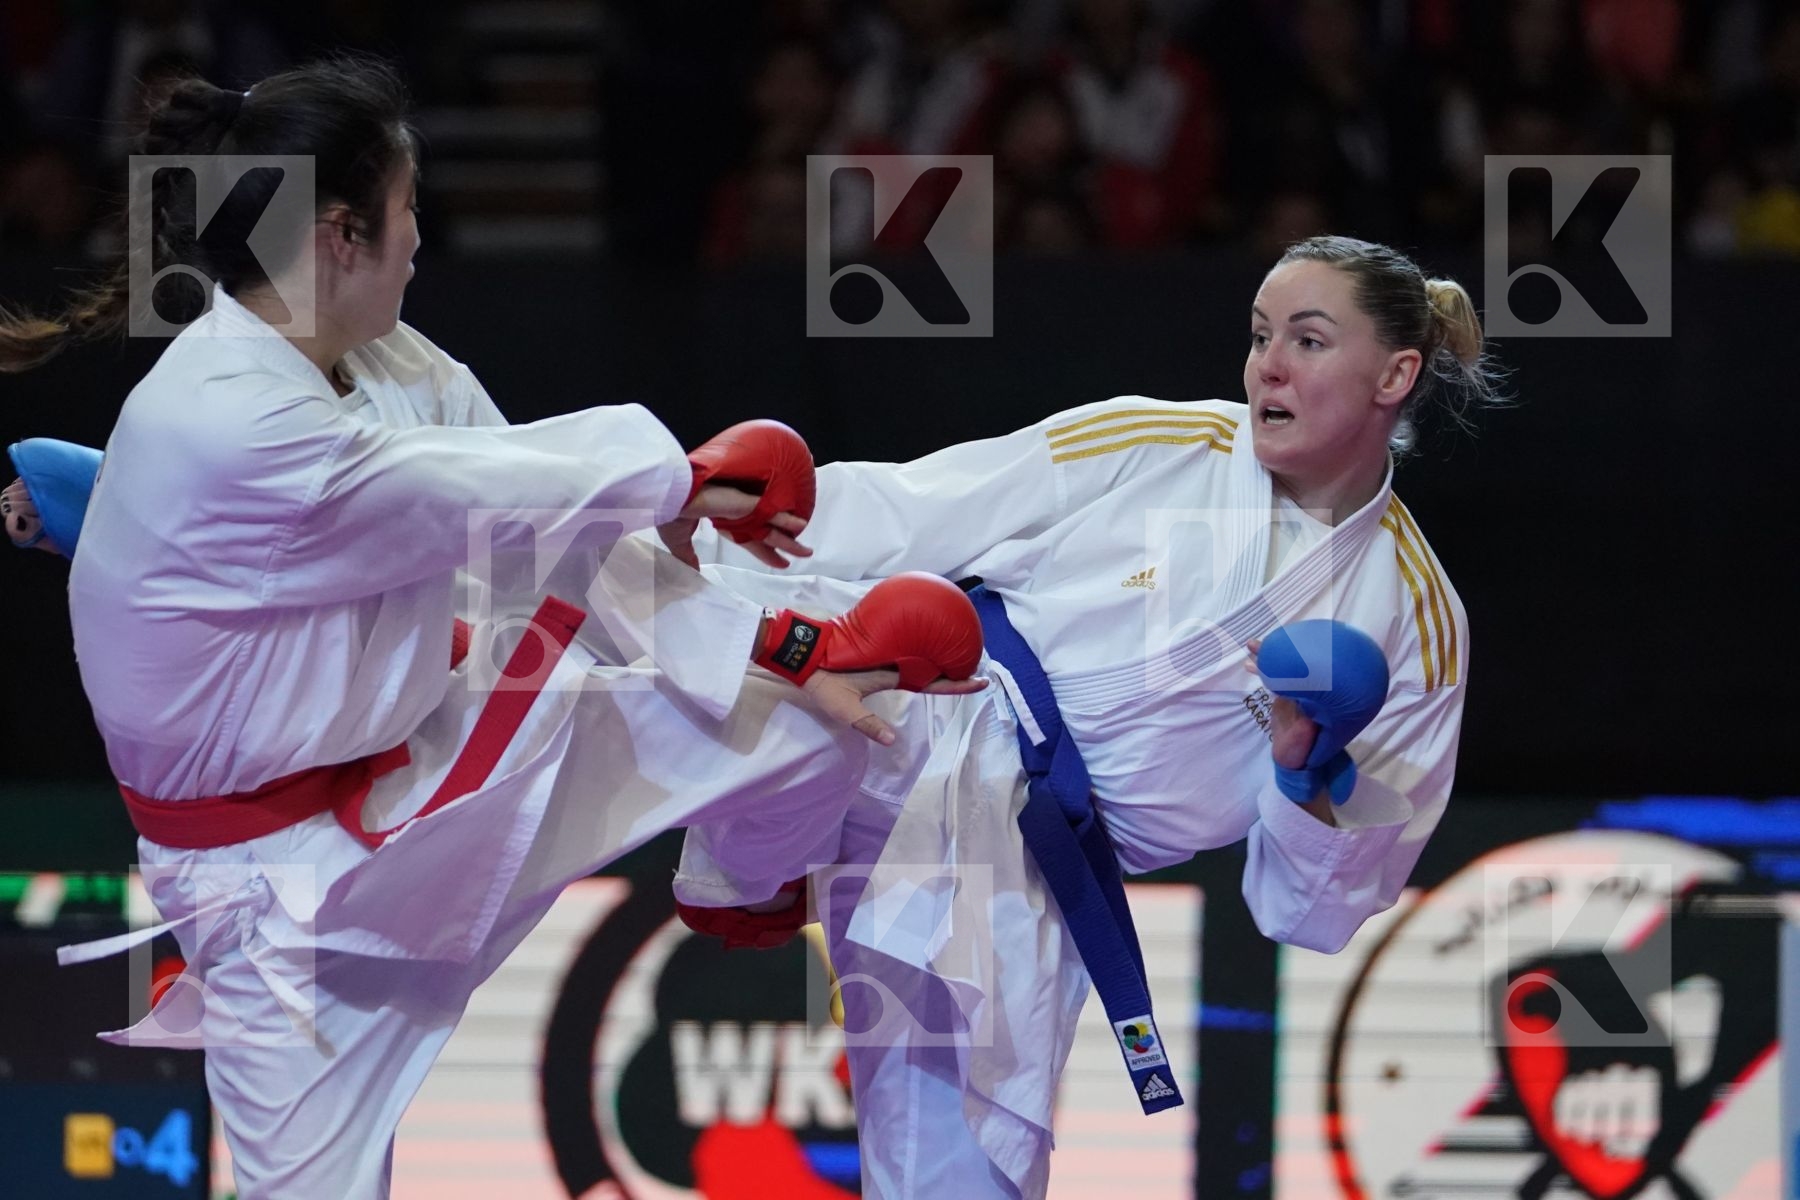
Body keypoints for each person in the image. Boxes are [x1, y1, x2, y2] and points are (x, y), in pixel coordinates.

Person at [0, 57, 987, 1199]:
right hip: (280, 900)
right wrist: (683, 479)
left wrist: (790, 647)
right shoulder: (229, 418)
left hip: (430, 779)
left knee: (811, 731)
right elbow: (486, 497)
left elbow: (538, 521)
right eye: (408, 209)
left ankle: (738, 882)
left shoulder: (377, 360)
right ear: (338, 235)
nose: (421, 238)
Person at [676, 235, 1497, 1197]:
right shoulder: (1161, 443)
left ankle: (757, 855)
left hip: (1023, 873)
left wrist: (1309, 771)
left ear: (1395, 374)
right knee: (697, 603)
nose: (1268, 365)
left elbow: (1303, 910)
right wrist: (775, 499)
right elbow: (933, 502)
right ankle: (747, 858)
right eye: (1261, 334)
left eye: (1309, 342)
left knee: (956, 1183)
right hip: (931, 707)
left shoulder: (1414, 625)